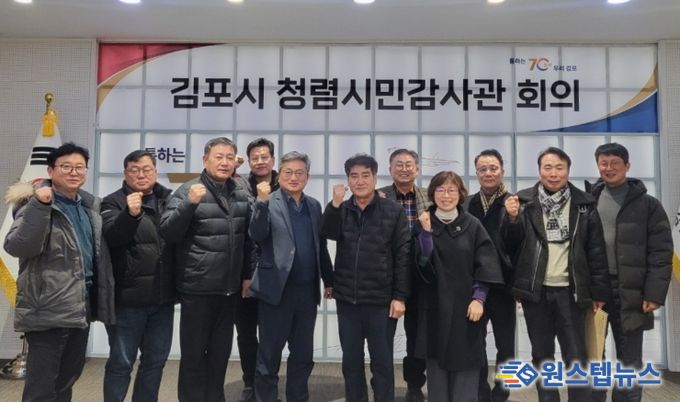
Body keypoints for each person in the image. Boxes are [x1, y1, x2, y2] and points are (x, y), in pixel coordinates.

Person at [4, 142, 115, 402]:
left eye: (79, 167)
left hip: (80, 308)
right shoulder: (34, 204)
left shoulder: (89, 208)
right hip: (47, 309)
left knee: (66, 381)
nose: (74, 172)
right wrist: (40, 206)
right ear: (51, 170)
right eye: (66, 167)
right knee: (41, 389)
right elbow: (17, 246)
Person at [502, 146, 609, 402]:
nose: (553, 173)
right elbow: (510, 247)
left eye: (559, 168)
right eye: (547, 167)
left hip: (572, 293)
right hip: (536, 293)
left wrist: (598, 292)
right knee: (542, 355)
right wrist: (512, 219)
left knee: (577, 356)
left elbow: (596, 250)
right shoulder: (523, 202)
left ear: (568, 171)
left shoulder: (584, 203)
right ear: (539, 170)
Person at [160, 137, 254, 402]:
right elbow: (168, 232)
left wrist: (247, 275)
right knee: (193, 357)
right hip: (197, 289)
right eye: (218, 157)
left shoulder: (240, 192)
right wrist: (189, 204)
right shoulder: (188, 190)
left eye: (229, 157)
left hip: (229, 290)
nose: (224, 162)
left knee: (219, 356)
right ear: (205, 160)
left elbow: (248, 240)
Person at [320, 153, 410, 402]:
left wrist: (400, 296)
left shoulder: (393, 211)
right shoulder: (342, 209)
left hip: (381, 301)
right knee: (351, 363)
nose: (359, 181)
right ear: (348, 180)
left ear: (375, 178)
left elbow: (403, 255)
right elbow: (326, 233)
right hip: (347, 300)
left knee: (382, 363)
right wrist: (334, 204)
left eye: (365, 175)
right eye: (354, 176)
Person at [588, 143, 672, 402]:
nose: (608, 168)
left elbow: (661, 252)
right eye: (603, 163)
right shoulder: (588, 201)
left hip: (632, 292)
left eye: (615, 163)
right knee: (593, 355)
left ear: (627, 166)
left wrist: (654, 294)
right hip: (596, 290)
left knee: (630, 358)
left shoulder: (648, 205)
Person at [248, 151, 333, 402]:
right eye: (288, 172)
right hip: (276, 291)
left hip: (306, 294)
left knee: (303, 355)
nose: (294, 177)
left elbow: (320, 245)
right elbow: (257, 235)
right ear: (279, 175)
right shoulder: (266, 200)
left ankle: (298, 397)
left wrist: (329, 280)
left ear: (307, 176)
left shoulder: (314, 206)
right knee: (269, 356)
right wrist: (261, 203)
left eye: (299, 173)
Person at [415, 170, 504, 402]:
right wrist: (426, 235)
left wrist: (479, 298)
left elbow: (486, 264)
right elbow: (421, 266)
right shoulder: (424, 223)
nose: (446, 195)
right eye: (440, 190)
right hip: (434, 308)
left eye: (451, 190)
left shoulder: (472, 225)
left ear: (460, 194)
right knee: (437, 372)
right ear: (432, 193)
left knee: (466, 370)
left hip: (467, 309)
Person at [101, 150, 175, 402]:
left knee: (155, 362)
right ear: (125, 173)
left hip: (162, 300)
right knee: (121, 363)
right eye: (134, 170)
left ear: (155, 171)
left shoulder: (169, 200)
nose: (141, 175)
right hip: (127, 301)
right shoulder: (112, 202)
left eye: (146, 169)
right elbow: (113, 237)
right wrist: (130, 215)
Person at [377, 148, 430, 402]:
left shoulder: (429, 197)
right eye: (398, 164)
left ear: (417, 169)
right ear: (390, 169)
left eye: (409, 164)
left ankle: (414, 385)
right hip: (386, 276)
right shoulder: (379, 196)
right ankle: (381, 386)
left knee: (417, 336)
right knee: (382, 337)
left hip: (420, 276)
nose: (404, 169)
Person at [464, 149, 515, 402]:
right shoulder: (467, 204)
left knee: (506, 344)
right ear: (476, 173)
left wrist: (514, 218)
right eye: (482, 169)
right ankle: (480, 392)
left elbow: (521, 245)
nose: (488, 173)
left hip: (505, 286)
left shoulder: (514, 203)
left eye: (493, 168)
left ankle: (502, 392)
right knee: (476, 343)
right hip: (474, 287)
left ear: (502, 171)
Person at [234, 137, 279, 402]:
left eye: (265, 156)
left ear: (273, 159)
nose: (260, 161)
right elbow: (246, 237)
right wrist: (247, 274)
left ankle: (268, 383)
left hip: (277, 273)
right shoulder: (238, 185)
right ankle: (250, 382)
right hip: (245, 273)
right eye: (255, 157)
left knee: (272, 334)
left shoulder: (285, 183)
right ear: (249, 161)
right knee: (247, 333)